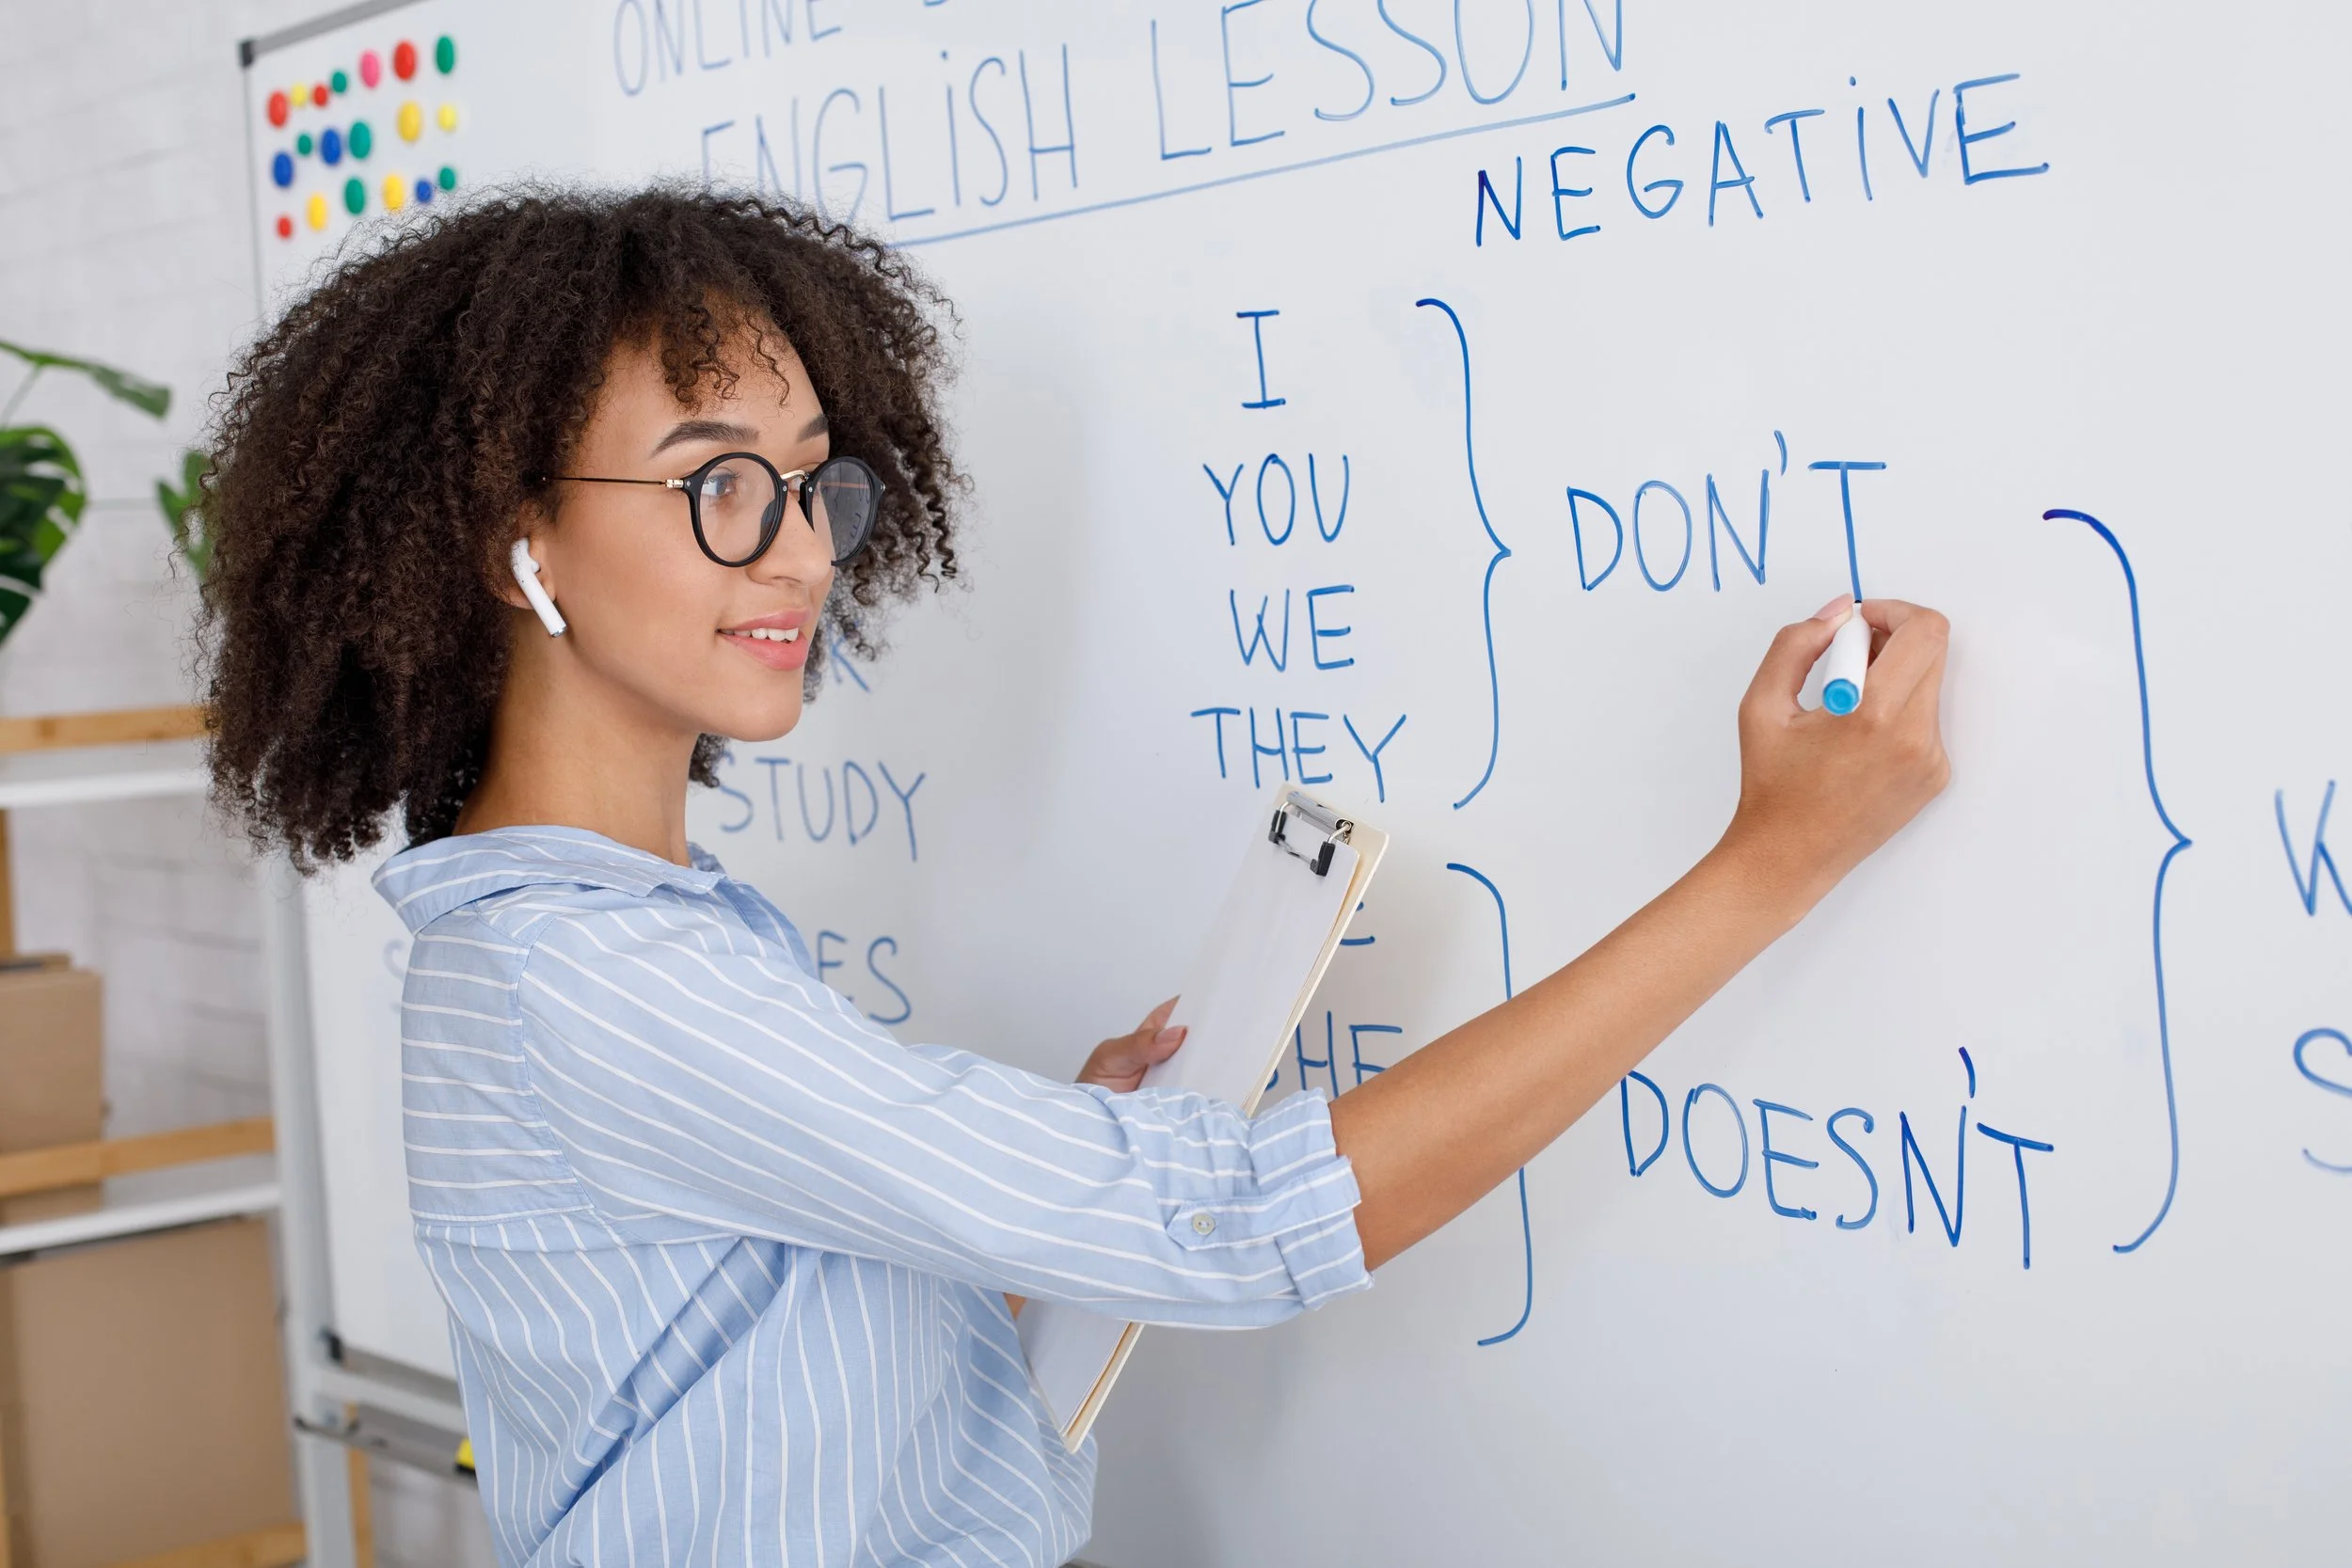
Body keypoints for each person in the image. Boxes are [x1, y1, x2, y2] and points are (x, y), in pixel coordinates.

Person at [200, 186, 1948, 1567]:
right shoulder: (593, 977)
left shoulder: (602, 925)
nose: (801, 552)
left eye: (814, 486)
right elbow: (1247, 1225)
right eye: (719, 486)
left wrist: (997, 1214)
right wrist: (1772, 858)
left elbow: (742, 1372)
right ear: (514, 543)